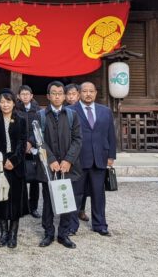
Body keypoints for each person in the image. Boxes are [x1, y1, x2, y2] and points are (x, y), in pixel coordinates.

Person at [37, 81, 82, 249]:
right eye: (53, 93)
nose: (57, 96)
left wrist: (68, 160)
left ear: (64, 96)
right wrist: (51, 160)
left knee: (66, 200)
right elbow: (38, 140)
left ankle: (64, 234)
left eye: (60, 93)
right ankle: (48, 233)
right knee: (48, 201)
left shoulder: (72, 115)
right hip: (49, 167)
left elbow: (78, 139)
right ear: (48, 96)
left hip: (67, 166)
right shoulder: (41, 115)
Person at [0, 89, 29, 248]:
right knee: (1, 198)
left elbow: (22, 143)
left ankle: (13, 233)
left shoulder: (22, 120)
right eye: (2, 101)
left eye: (8, 101)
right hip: (0, 163)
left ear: (13, 103)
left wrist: (14, 160)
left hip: (16, 165)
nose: (5, 104)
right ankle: (3, 232)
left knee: (16, 199)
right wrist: (1, 159)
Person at [70, 82, 116, 237]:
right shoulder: (70, 110)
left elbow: (111, 134)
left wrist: (111, 155)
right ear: (79, 93)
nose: (88, 94)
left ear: (96, 93)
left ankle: (100, 224)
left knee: (98, 194)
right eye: (85, 91)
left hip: (99, 158)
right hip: (78, 159)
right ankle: (71, 225)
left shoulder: (105, 111)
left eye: (91, 91)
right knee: (76, 194)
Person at [15, 84, 41, 219]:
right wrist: (22, 143)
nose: (25, 96)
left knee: (35, 179)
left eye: (27, 94)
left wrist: (30, 142)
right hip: (19, 149)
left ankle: (33, 207)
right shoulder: (15, 109)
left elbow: (39, 129)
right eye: (22, 94)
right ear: (18, 96)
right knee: (20, 178)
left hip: (34, 149)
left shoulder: (38, 111)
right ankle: (22, 205)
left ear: (31, 96)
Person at [65, 83, 90, 223]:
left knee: (84, 185)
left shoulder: (86, 109)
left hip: (85, 151)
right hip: (70, 152)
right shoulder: (65, 110)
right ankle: (69, 212)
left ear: (78, 94)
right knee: (71, 184)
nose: (71, 97)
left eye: (73, 94)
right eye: (68, 94)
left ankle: (81, 209)